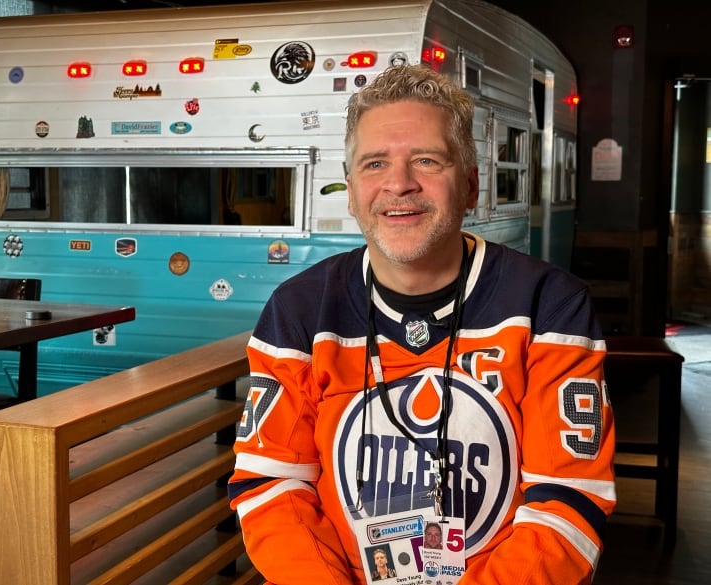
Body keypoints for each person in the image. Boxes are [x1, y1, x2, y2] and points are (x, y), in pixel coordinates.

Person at [228, 63, 616, 584]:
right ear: (350, 190)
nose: (399, 184)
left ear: (472, 185)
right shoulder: (299, 310)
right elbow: (271, 486)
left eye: (427, 160)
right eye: (374, 164)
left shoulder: (549, 303)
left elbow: (568, 498)